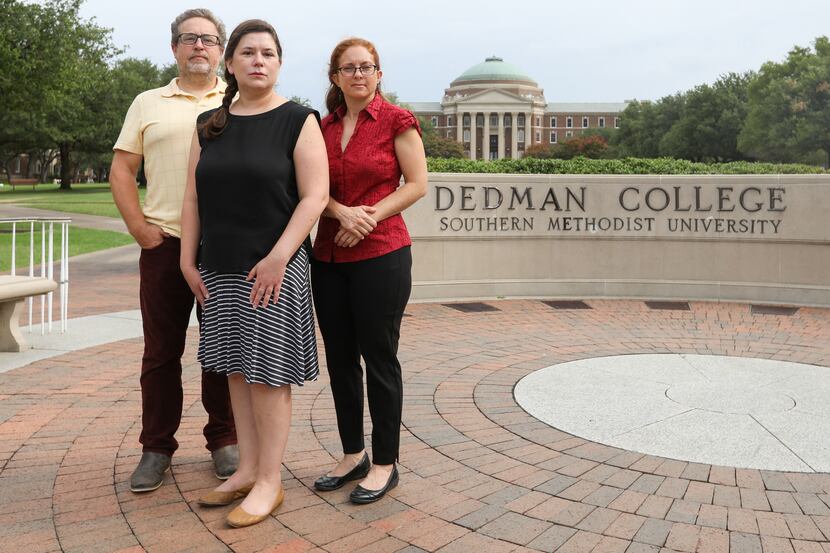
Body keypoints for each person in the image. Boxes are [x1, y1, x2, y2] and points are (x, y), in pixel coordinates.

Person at [180, 19, 328, 528]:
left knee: (268, 375)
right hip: (218, 266)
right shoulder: (209, 124)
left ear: (280, 62)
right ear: (231, 63)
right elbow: (193, 195)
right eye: (247, 52)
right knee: (237, 369)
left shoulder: (298, 120)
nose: (257, 60)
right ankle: (245, 469)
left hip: (274, 268)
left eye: (267, 52)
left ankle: (270, 481)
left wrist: (280, 255)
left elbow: (315, 197)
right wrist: (186, 257)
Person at [110, 8, 238, 493]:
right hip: (164, 244)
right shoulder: (147, 102)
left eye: (208, 39)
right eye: (189, 39)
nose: (199, 47)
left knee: (221, 350)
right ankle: (156, 448)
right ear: (174, 48)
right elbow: (123, 170)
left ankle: (224, 439)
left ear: (221, 49)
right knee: (161, 353)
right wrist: (141, 229)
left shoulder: (240, 98)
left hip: (224, 249)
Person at [311, 37, 427, 504]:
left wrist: (368, 217)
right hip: (329, 256)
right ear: (335, 77)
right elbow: (309, 187)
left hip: (382, 254)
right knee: (339, 360)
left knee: (379, 359)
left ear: (379, 74)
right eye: (348, 68)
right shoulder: (321, 127)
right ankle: (352, 454)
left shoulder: (397, 121)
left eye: (367, 67)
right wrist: (341, 213)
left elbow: (417, 183)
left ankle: (384, 463)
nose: (358, 74)